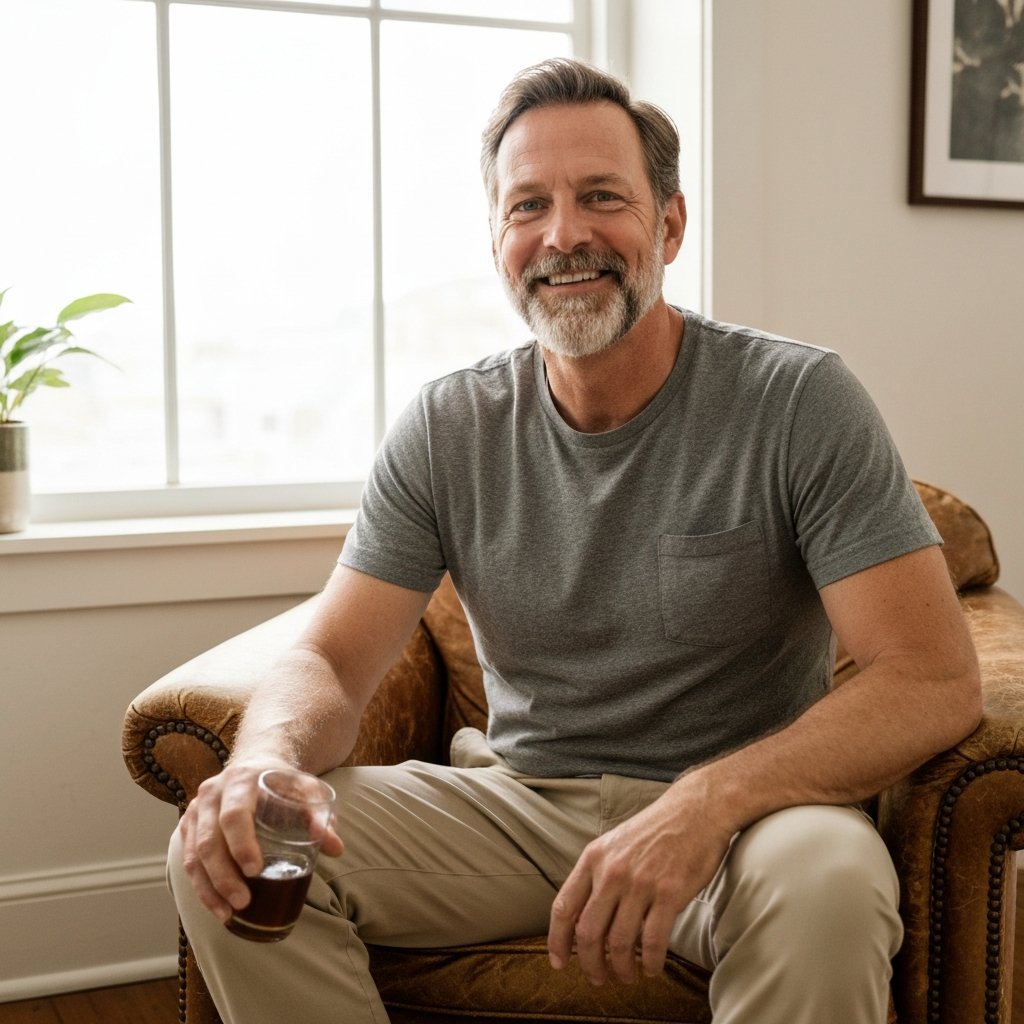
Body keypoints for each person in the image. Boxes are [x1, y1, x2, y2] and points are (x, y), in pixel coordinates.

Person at [168, 57, 981, 1024]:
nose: (564, 235)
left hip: (753, 825)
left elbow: (930, 677)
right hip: (515, 805)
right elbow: (336, 661)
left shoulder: (798, 401)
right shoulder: (447, 425)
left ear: (669, 225)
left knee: (834, 886)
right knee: (234, 853)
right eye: (528, 207)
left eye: (603, 197)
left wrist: (706, 803)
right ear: (498, 240)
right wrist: (265, 762)